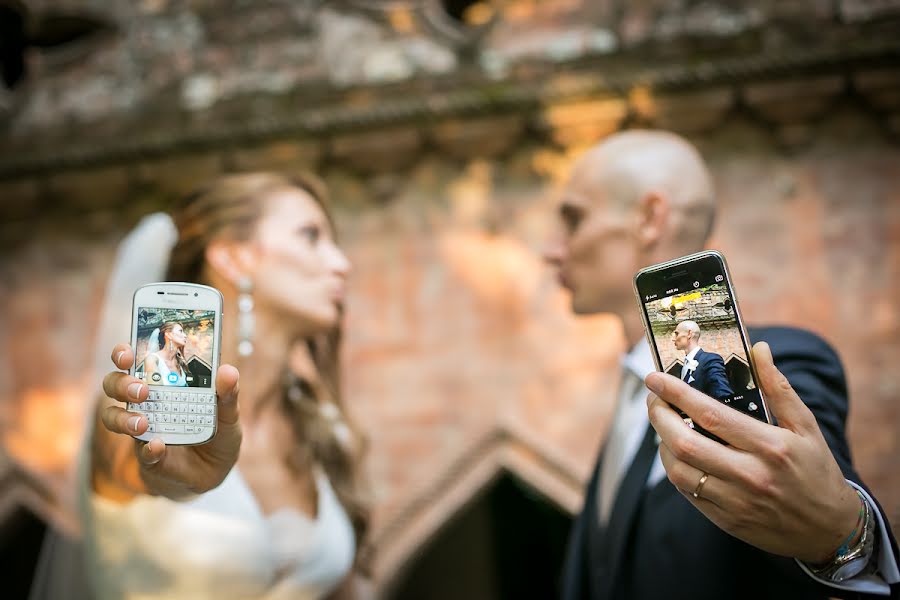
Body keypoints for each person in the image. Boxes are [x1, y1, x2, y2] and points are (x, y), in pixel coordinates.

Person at [544, 130, 899, 599]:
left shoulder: (772, 365)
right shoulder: (632, 392)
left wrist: (842, 533)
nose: (552, 250)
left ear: (650, 219)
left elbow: (819, 496)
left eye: (574, 219)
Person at [83, 172, 369, 599]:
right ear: (233, 259)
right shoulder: (142, 405)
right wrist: (176, 476)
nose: (341, 263)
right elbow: (144, 469)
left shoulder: (322, 428)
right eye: (311, 236)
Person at [672, 319, 733, 400]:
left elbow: (722, 393)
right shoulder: (683, 367)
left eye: (677, 334)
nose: (673, 339)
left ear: (689, 334)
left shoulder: (710, 360)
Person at [143, 321, 190, 387]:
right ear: (168, 334)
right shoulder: (152, 359)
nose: (185, 335)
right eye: (180, 331)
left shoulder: (180, 362)